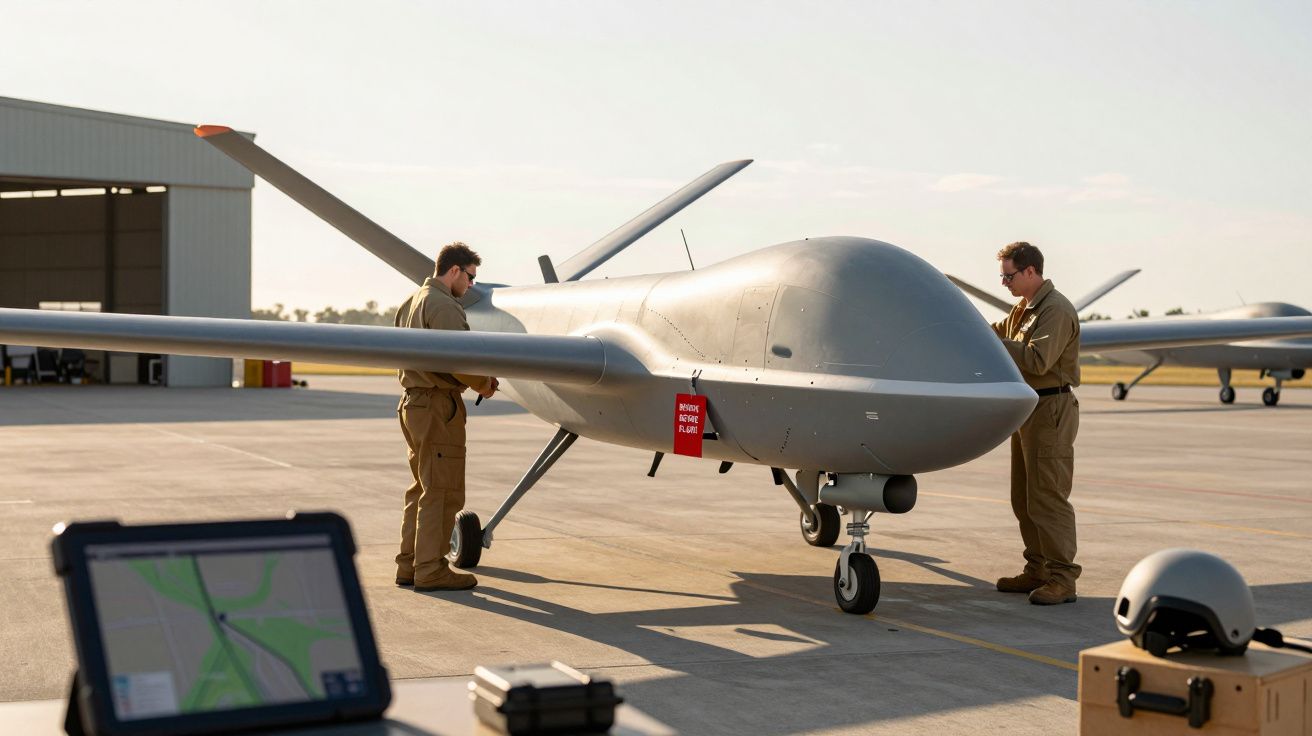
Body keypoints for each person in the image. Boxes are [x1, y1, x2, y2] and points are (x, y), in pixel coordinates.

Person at [394, 242, 498, 592]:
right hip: (437, 406)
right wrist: (485, 383)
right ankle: (431, 569)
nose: (471, 286)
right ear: (454, 270)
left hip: (412, 402)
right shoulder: (443, 305)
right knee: (442, 491)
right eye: (470, 278)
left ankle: (409, 565)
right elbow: (459, 359)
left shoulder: (411, 302)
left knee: (421, 488)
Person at [990, 242, 1082, 605]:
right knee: (1024, 498)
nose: (1004, 283)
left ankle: (1062, 579)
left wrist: (996, 341)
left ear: (1031, 271)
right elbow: (994, 331)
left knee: (1048, 497)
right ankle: (1038, 569)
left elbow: (1038, 360)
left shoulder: (1055, 310)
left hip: (1051, 409)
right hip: (1028, 409)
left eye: (1008, 275)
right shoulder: (1022, 309)